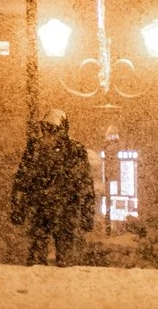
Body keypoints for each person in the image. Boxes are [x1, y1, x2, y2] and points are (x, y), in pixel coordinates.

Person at [10, 109, 96, 265]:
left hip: (50, 207)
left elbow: (22, 181)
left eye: (52, 129)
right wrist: (87, 213)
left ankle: (48, 277)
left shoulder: (67, 150)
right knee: (52, 254)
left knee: (50, 254)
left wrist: (18, 207)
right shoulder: (68, 150)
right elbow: (85, 184)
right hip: (54, 208)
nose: (49, 134)